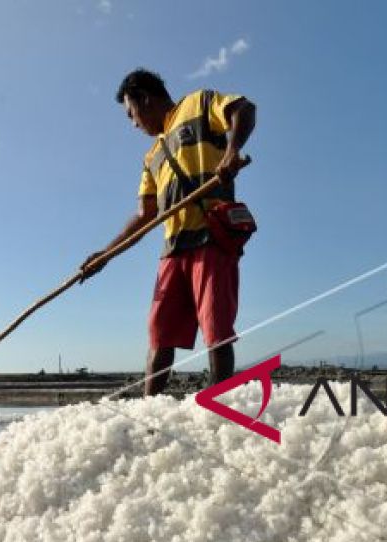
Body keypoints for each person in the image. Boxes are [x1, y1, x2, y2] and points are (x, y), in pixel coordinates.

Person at [79, 68, 256, 396]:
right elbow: (145, 215)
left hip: (211, 238)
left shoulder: (199, 104)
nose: (134, 124)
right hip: (173, 249)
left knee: (216, 328)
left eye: (132, 114)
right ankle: (151, 408)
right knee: (159, 334)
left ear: (144, 99)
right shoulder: (152, 157)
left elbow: (243, 110)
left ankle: (220, 407)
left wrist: (231, 152)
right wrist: (106, 255)